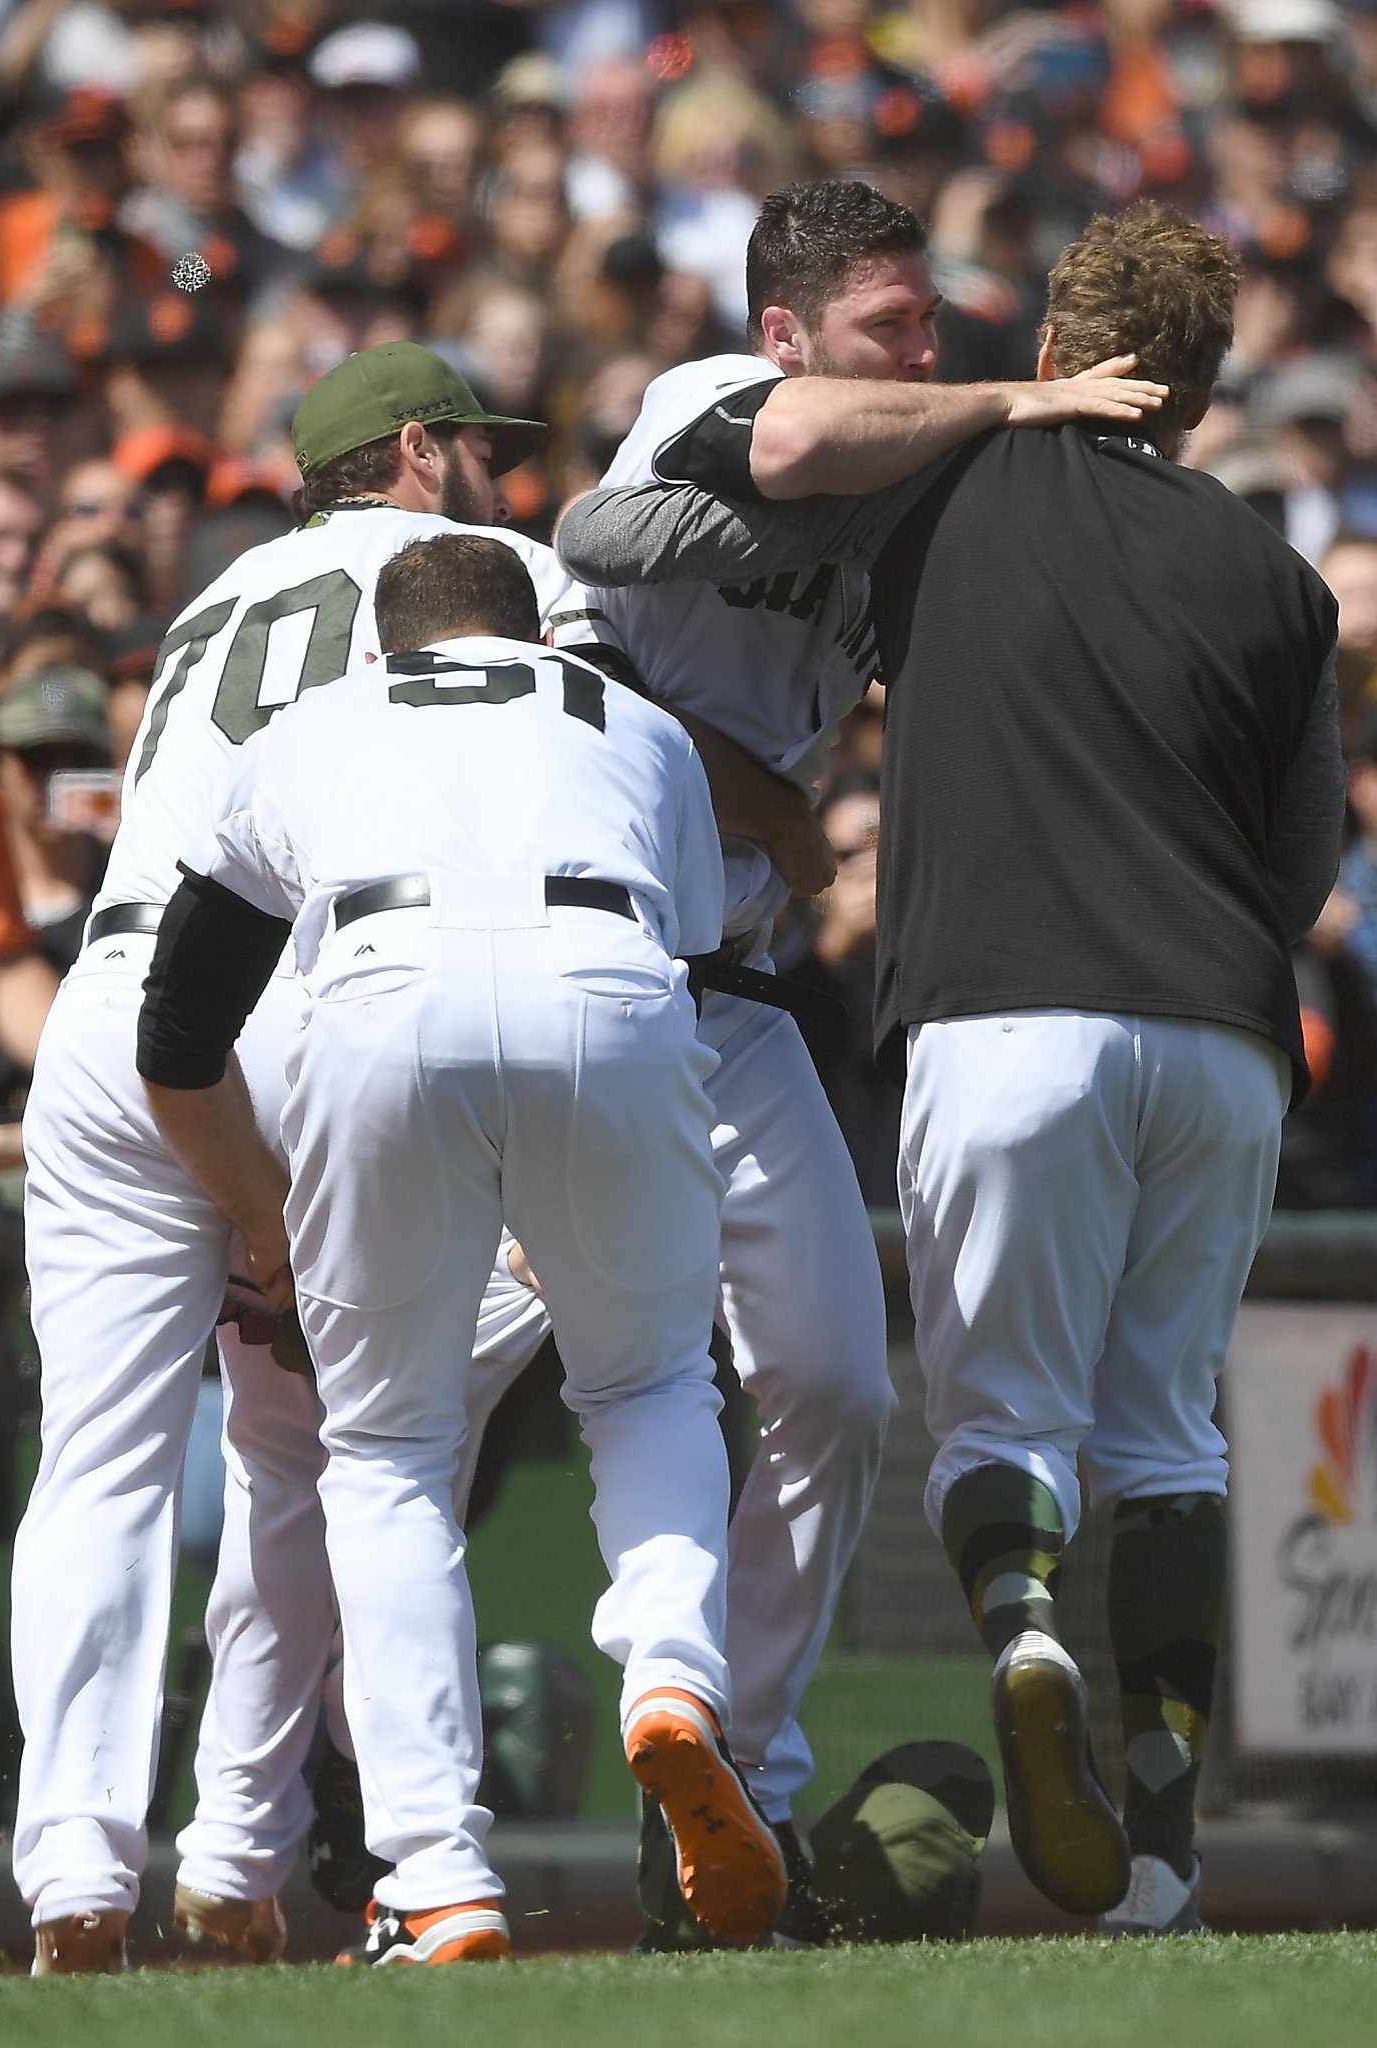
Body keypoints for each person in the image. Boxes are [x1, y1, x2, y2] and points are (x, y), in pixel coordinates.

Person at [555, 198, 1346, 1936]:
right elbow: (1305, 873)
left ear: (1052, 352)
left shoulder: (945, 495)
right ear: (1202, 397)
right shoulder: (1280, 576)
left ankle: (1024, 1632)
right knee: (1176, 1443)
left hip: (995, 1014)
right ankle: (1159, 1853)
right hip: (1221, 1026)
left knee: (999, 1424)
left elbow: (627, 523)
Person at [470, 176, 1168, 1942]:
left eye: (936, 322)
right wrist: (1017, 395)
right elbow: (674, 554)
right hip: (567, 980)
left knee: (846, 1394)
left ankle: (734, 1814)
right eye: (890, 327)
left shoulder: (913, 482)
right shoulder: (706, 400)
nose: (926, 352)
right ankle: (340, 1807)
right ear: (786, 331)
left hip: (742, 995)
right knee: (398, 1412)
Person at [136, 530, 786, 1965]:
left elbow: (175, 1030)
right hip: (611, 984)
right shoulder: (638, 726)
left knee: (382, 1455)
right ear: (539, 637)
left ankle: (439, 1877)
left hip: (381, 992)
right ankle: (672, 1680)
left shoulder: (311, 723)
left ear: (384, 651)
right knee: (653, 1387)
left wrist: (262, 1215)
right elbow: (683, 955)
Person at [7, 341, 564, 1977]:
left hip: (115, 1007)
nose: (500, 476)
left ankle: (74, 1876)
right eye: (478, 446)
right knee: (325, 1448)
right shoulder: (490, 573)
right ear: (415, 450)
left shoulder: (208, 600)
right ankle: (258, 1848)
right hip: (303, 993)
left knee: (95, 1466)